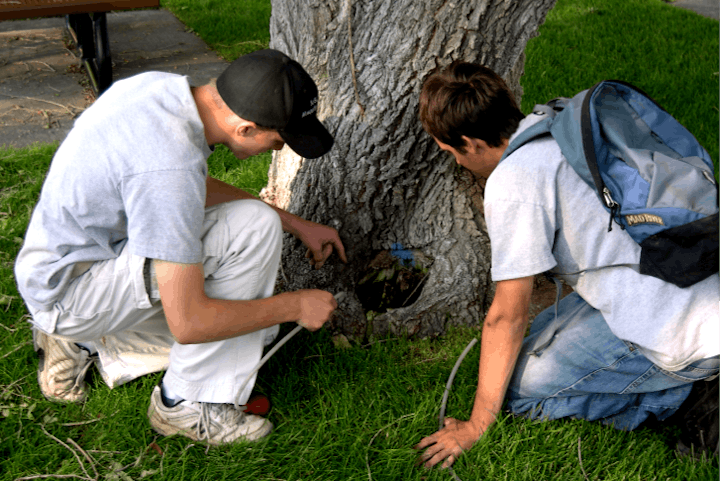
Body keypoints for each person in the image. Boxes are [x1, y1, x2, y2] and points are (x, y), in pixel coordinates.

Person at [15, 48, 347, 445]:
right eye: (277, 142)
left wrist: (295, 224)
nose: (277, 152)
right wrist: (296, 305)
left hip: (64, 267)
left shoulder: (162, 93)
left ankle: (86, 343)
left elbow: (192, 189)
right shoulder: (168, 170)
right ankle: (186, 404)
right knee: (252, 250)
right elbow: (189, 323)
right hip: (69, 294)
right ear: (244, 128)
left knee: (253, 332)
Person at [415, 61, 719, 468]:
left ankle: (690, 395)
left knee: (518, 391)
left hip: (686, 336)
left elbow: (507, 315)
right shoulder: (559, 123)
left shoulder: (512, 183)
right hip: (692, 274)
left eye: (450, 152)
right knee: (535, 340)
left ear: (470, 143)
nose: (456, 163)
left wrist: (476, 424)